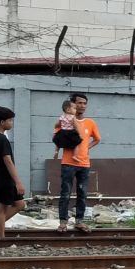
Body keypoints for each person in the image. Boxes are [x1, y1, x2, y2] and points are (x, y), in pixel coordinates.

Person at [56, 92, 100, 233]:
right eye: (79, 103)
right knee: (65, 193)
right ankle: (63, 222)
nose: (82, 106)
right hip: (68, 163)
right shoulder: (65, 120)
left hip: (84, 164)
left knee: (82, 193)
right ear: (72, 104)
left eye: (84, 103)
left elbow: (97, 139)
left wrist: (87, 147)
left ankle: (79, 221)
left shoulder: (90, 123)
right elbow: (56, 136)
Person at [0, 107, 26, 237]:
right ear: (2, 122)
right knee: (2, 208)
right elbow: (8, 161)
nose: (12, 123)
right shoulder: (1, 139)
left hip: (1, 177)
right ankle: (0, 236)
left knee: (20, 204)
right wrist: (18, 182)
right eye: (10, 120)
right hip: (4, 177)